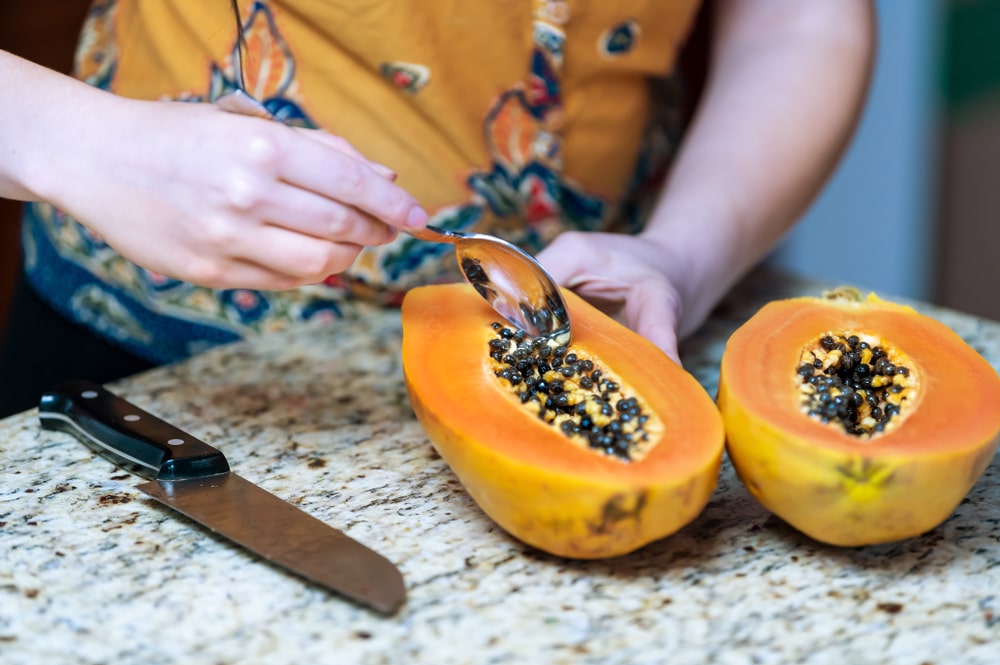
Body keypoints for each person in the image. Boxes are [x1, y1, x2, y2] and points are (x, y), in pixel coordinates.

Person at [0, 0, 875, 417]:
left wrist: (682, 251)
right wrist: (83, 146)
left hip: (598, 327)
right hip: (141, 363)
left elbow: (798, 20)